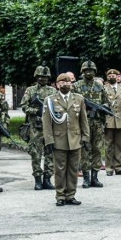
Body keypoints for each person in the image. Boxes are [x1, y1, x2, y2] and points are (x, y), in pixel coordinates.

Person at [42, 73, 90, 206]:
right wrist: (49, 140)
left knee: (73, 169)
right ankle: (60, 196)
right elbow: (46, 122)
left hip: (75, 139)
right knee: (60, 169)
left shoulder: (78, 99)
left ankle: (71, 195)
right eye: (63, 82)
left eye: (68, 82)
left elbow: (83, 120)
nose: (66, 84)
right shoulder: (50, 100)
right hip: (59, 140)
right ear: (57, 85)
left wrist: (86, 137)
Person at [73, 60, 110, 187]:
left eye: (91, 71)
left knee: (97, 150)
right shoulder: (76, 86)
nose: (89, 73)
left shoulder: (100, 86)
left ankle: (95, 177)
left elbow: (107, 102)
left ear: (95, 72)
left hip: (98, 123)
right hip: (83, 123)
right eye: (86, 71)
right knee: (85, 149)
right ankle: (86, 177)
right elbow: (72, 103)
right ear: (82, 72)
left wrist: (102, 107)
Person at [20, 64, 57, 190]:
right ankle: (38, 180)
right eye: (40, 77)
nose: (43, 79)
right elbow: (24, 106)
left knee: (50, 154)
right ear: (36, 77)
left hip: (50, 127)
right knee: (35, 154)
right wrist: (35, 111)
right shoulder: (30, 90)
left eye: (45, 77)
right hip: (35, 128)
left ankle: (47, 179)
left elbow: (58, 106)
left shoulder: (53, 91)